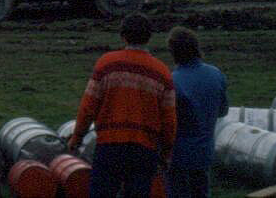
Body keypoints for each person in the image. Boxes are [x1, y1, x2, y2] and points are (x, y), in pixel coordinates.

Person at [69, 13, 177, 198]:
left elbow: (88, 106)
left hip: (109, 146)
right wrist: (166, 152)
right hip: (144, 150)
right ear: (149, 37)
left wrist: (77, 137)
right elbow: (169, 120)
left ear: (123, 36)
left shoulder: (106, 64)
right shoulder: (162, 72)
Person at [165, 27, 228, 198]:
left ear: (173, 52)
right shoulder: (216, 74)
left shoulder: (173, 81)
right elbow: (223, 111)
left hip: (179, 154)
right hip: (205, 151)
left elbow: (168, 122)